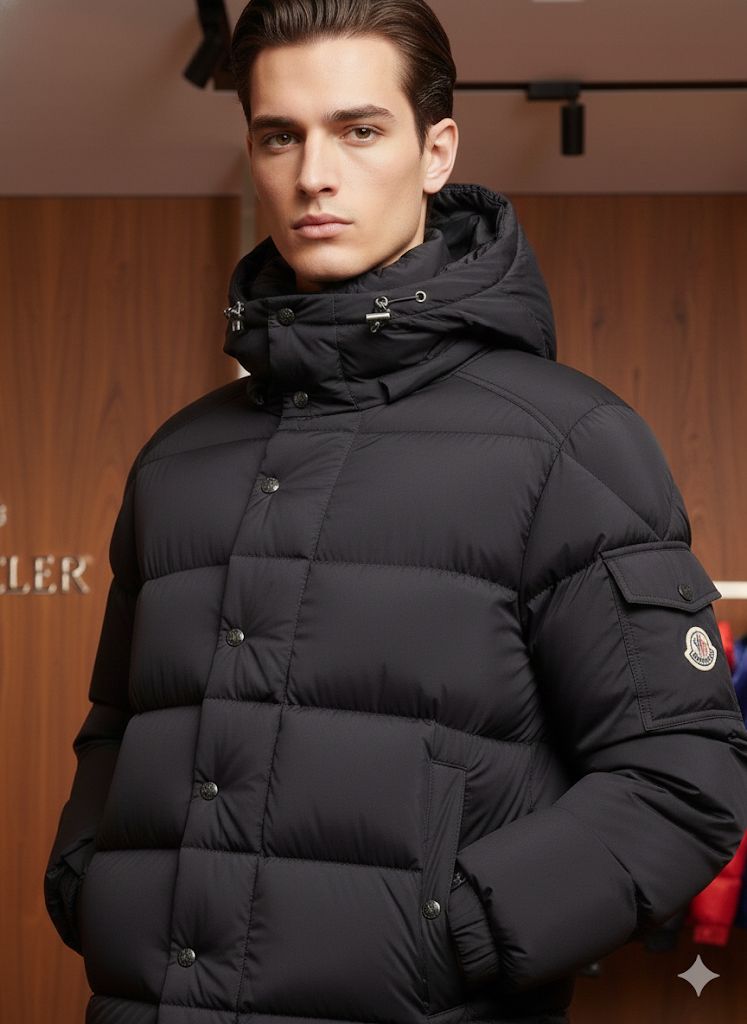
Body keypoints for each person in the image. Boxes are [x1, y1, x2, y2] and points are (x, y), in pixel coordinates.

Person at [44, 2, 747, 1023]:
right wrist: (90, 882)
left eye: (359, 129)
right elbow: (120, 728)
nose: (313, 174)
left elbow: (682, 778)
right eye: (279, 136)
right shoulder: (177, 461)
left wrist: (453, 932)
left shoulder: (568, 443)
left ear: (436, 151)